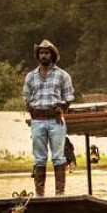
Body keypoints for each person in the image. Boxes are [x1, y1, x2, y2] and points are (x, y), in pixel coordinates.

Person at [23, 39, 74, 196]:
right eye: (41, 53)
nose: (44, 55)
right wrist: (31, 107)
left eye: (46, 53)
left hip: (55, 120)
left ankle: (60, 193)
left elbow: (69, 96)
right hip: (38, 120)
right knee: (39, 158)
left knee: (58, 157)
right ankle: (40, 194)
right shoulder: (30, 76)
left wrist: (62, 106)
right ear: (38, 56)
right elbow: (26, 96)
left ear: (52, 55)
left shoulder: (62, 75)